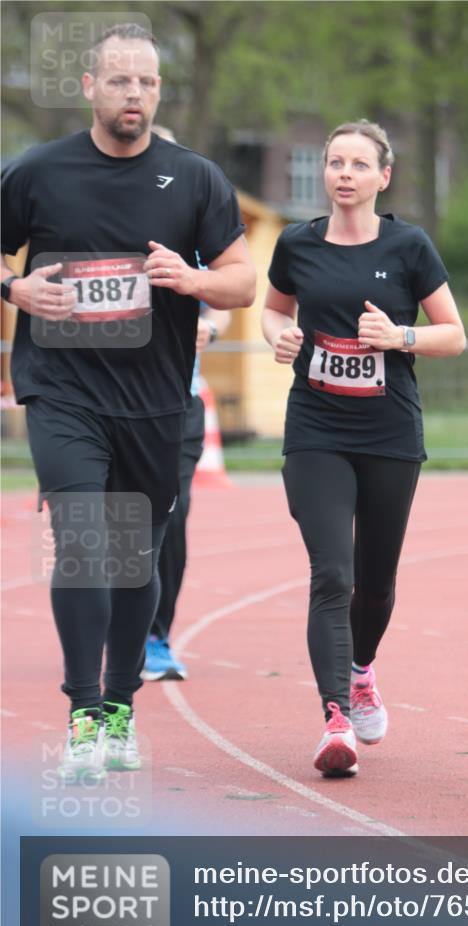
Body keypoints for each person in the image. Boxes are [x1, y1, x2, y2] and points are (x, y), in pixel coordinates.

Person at [0, 24, 255, 780]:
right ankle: (83, 716)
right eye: (118, 81)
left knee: (133, 558)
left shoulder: (197, 178)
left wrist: (194, 279)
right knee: (83, 541)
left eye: (145, 82)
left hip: (153, 402)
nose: (133, 94)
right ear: (90, 88)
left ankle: (119, 707)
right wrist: (15, 289)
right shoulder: (36, 172)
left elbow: (243, 280)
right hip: (62, 392)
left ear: (159, 91)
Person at [261, 120, 465, 777]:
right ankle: (335, 719)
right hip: (316, 429)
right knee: (332, 575)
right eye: (334, 162)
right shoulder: (297, 243)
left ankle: (361, 670)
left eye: (358, 164)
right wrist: (278, 335)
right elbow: (274, 308)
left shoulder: (409, 246)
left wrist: (400, 337)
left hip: (388, 433)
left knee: (374, 586)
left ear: (383, 176)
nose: (344, 174)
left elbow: (454, 334)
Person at [141, 124, 231, 681]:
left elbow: (230, 288)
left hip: (178, 398)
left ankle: (156, 637)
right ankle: (108, 626)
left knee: (169, 521)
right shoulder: (94, 220)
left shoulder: (193, 220)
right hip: (105, 399)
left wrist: (211, 327)